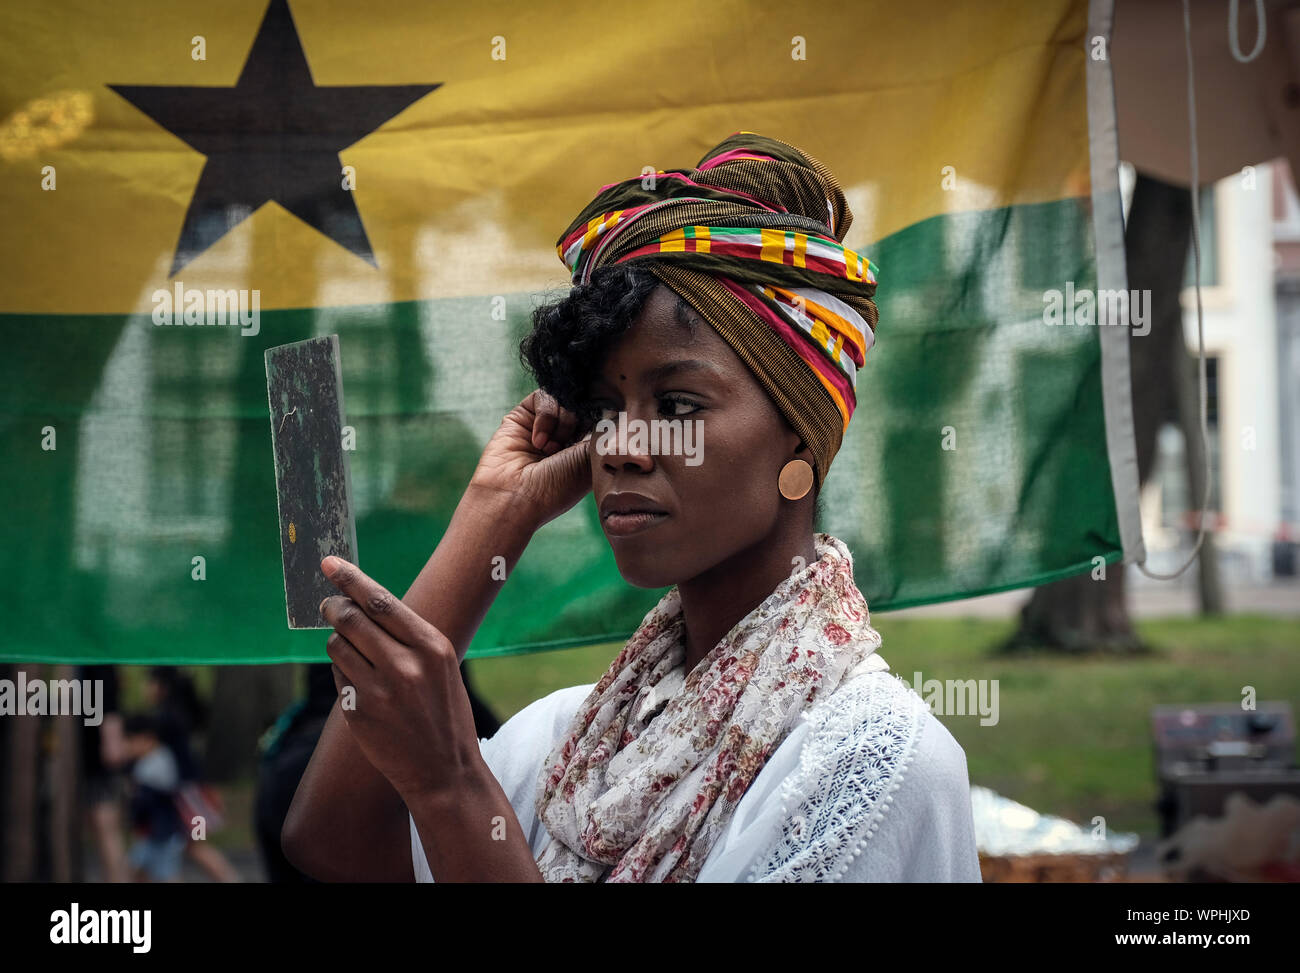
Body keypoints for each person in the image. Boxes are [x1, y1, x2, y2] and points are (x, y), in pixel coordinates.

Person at [283, 132, 981, 882]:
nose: (620, 445)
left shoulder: (874, 762)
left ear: (800, 441)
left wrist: (453, 784)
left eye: (676, 403)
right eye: (603, 408)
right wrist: (498, 510)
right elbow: (330, 842)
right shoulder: (576, 744)